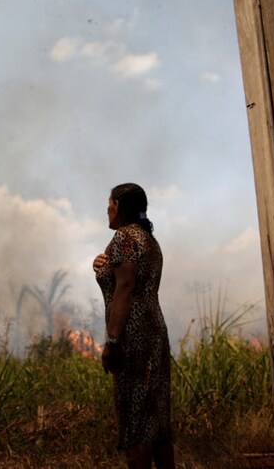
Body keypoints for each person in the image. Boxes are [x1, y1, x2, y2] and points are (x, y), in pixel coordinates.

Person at [92, 183, 175, 469]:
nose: (107, 208)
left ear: (119, 207)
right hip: (154, 333)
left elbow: (125, 288)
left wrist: (113, 342)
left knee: (135, 421)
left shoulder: (124, 238)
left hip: (133, 337)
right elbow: (124, 278)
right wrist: (102, 266)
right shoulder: (148, 240)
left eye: (110, 203)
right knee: (157, 419)